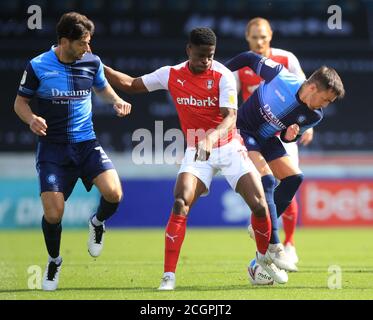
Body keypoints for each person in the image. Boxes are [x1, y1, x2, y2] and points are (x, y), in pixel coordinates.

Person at [104, 27, 288, 289]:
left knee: (259, 205)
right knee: (180, 201)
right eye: (201, 55)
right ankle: (168, 276)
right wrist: (99, 67)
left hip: (227, 146)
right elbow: (131, 85)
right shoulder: (171, 74)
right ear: (189, 50)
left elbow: (230, 117)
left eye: (210, 55)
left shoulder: (223, 75)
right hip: (197, 150)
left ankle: (260, 262)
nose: (206, 61)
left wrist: (211, 138)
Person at [14, 12, 132, 291]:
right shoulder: (38, 65)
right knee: (54, 214)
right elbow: (20, 103)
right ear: (65, 41)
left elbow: (102, 89)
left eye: (90, 43)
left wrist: (117, 101)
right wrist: (31, 118)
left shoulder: (92, 62)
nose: (88, 49)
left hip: (86, 143)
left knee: (114, 193)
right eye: (83, 43)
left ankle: (97, 222)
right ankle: (54, 260)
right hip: (53, 149)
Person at [225, 51, 345, 272]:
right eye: (326, 99)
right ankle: (274, 243)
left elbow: (289, 137)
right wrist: (221, 72)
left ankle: (260, 226)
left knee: (294, 178)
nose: (326, 105)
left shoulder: (315, 115)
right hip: (243, 130)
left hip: (268, 138)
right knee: (268, 181)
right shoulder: (280, 76)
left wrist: (291, 136)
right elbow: (249, 57)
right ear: (312, 88)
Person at [234, 17, 313, 267]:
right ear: (247, 37)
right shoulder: (242, 66)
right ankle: (267, 235)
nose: (259, 42)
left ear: (271, 36)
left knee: (289, 181)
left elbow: (308, 92)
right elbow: (231, 97)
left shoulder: (286, 60)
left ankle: (288, 244)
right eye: (254, 37)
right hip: (255, 130)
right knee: (267, 182)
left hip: (284, 131)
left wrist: (305, 128)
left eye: (263, 37)